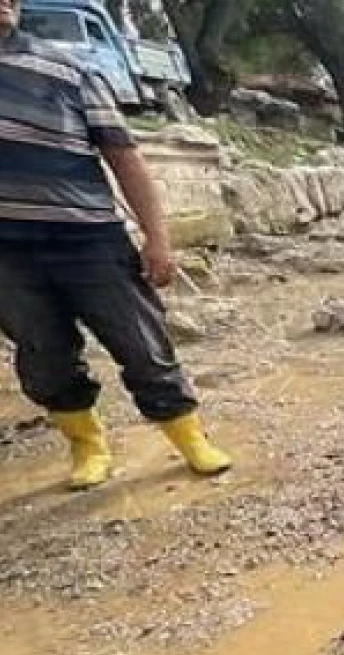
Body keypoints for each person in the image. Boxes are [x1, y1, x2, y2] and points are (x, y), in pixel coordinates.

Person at [0, 0, 231, 490]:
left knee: (142, 342)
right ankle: (87, 446)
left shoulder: (69, 69)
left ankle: (189, 439)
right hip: (7, 255)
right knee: (44, 354)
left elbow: (124, 157)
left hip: (89, 238)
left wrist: (158, 239)